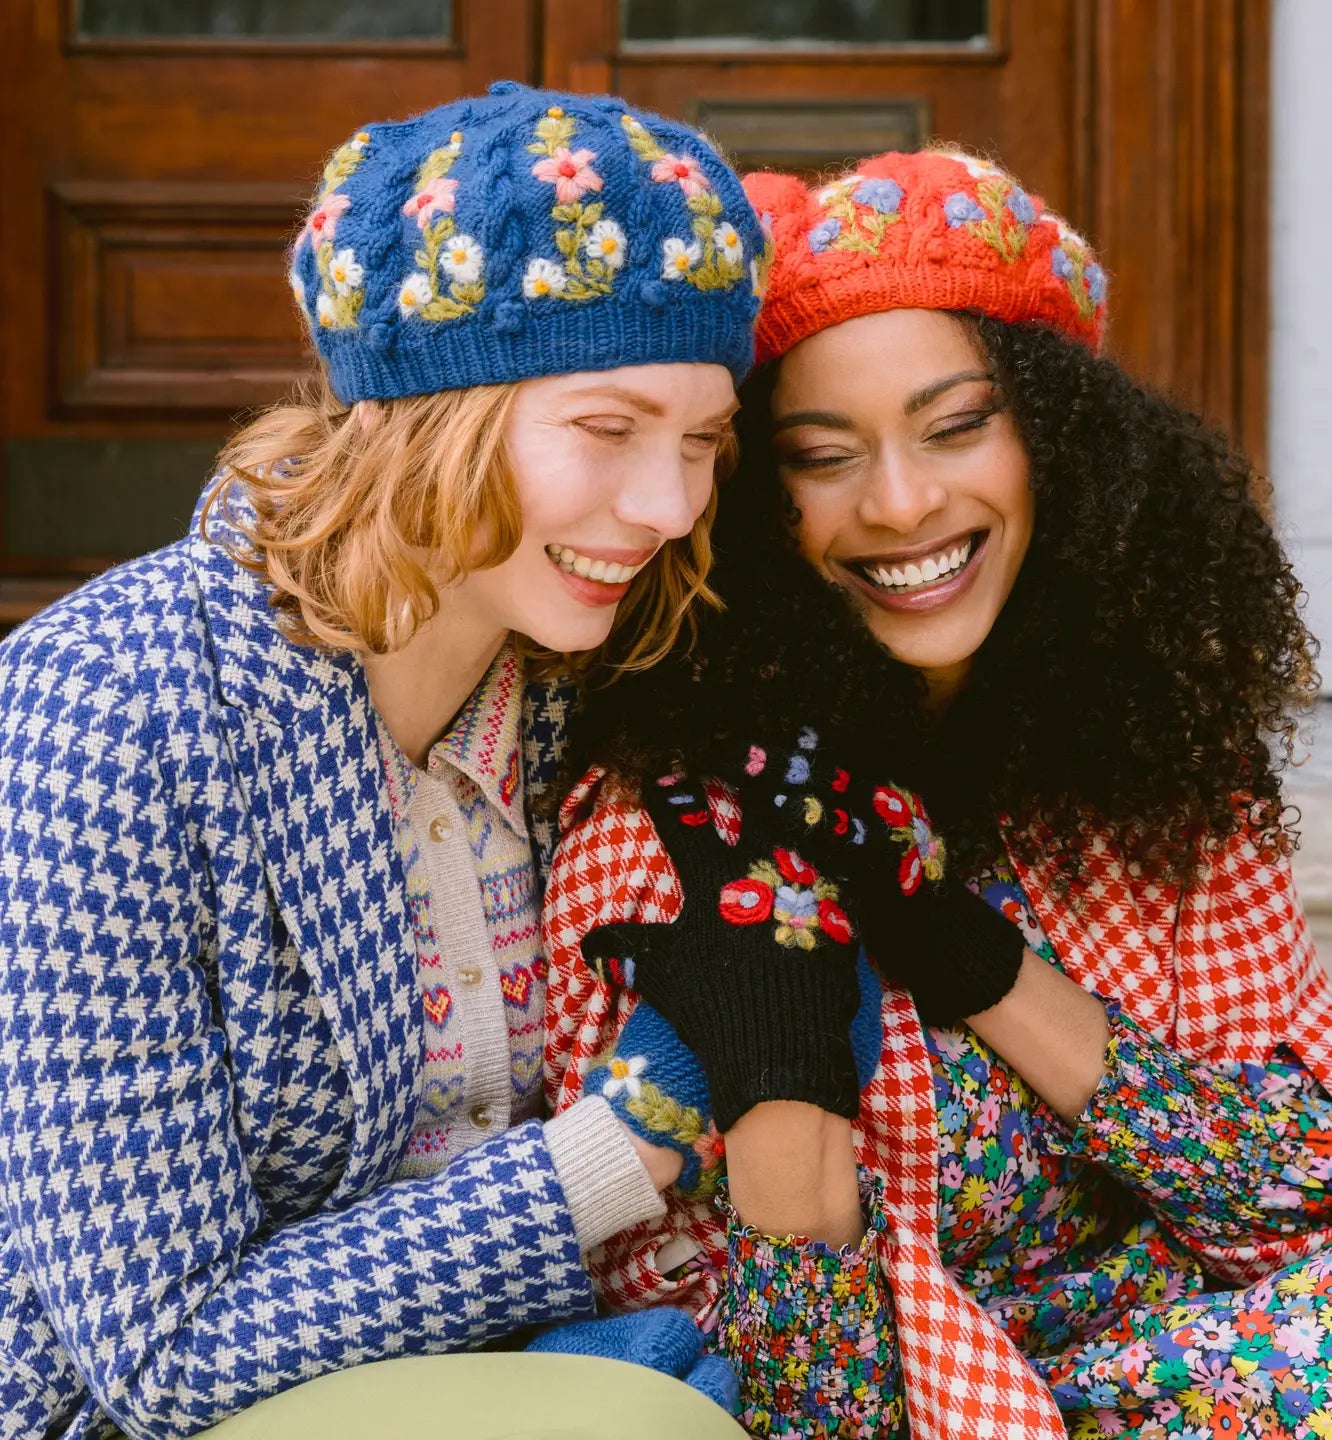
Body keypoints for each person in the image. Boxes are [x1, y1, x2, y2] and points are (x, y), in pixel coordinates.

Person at [542, 147, 1332, 1439]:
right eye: (821, 454)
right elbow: (752, 1391)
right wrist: (790, 1072)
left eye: (957, 426)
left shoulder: (1159, 774)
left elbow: (1320, 1206)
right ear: (751, 503)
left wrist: (984, 969)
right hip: (908, 1405)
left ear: (1066, 446)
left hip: (1185, 1368)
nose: (903, 504)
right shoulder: (666, 829)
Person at [0, 81, 769, 1437]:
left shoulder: (565, 676)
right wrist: (630, 1137)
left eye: (702, 439)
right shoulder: (108, 715)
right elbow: (166, 1352)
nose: (667, 506)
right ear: (428, 412)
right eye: (608, 428)